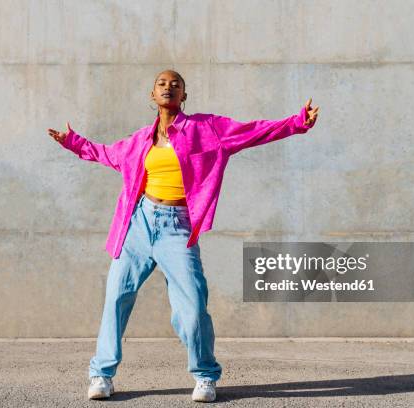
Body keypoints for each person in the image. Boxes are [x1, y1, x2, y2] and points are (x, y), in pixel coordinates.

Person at [47, 70, 319, 402]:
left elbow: (252, 132)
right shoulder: (138, 141)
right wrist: (73, 142)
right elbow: (106, 153)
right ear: (152, 95)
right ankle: (101, 374)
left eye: (176, 85)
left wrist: (297, 122)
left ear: (183, 97)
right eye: (162, 83)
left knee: (192, 309)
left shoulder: (207, 130)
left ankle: (205, 375)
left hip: (177, 228)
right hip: (139, 225)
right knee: (116, 298)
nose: (168, 87)